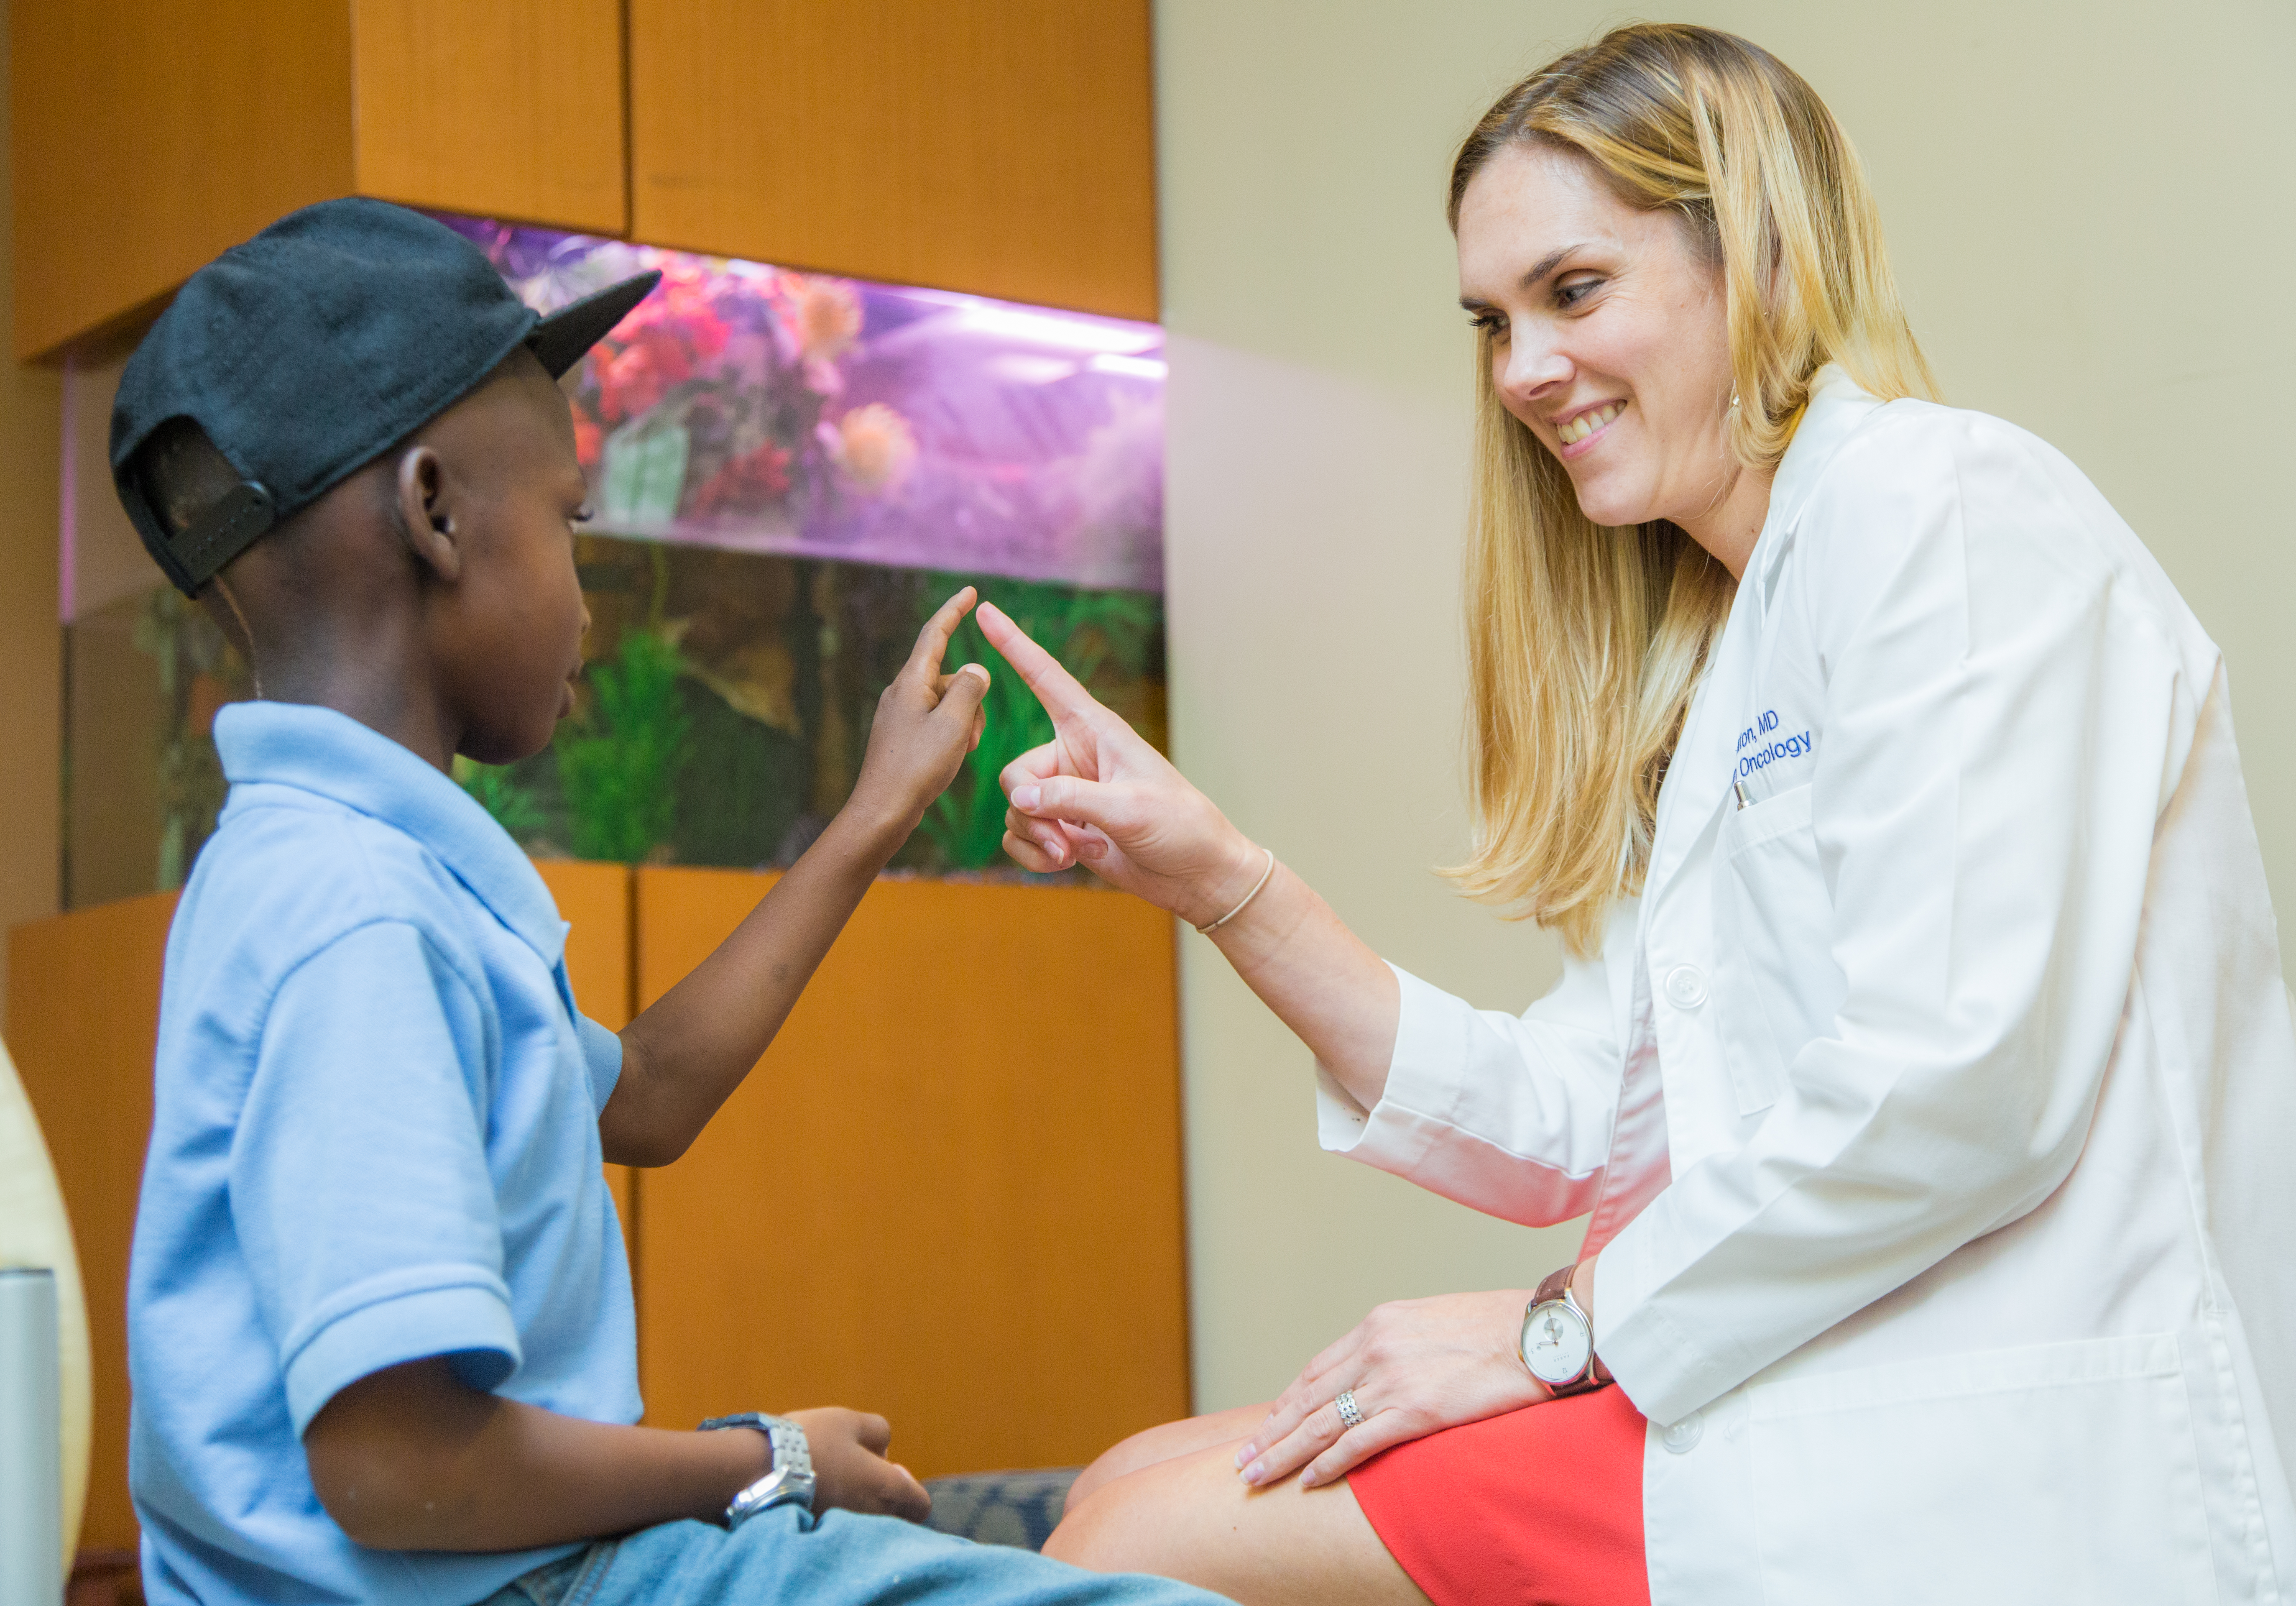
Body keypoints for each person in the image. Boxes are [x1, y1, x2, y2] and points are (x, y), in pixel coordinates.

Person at [976, 23, 2296, 1606]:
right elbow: (1583, 1115)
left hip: (1981, 1442)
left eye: (1573, 291)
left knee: (1144, 1535)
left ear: (1755, 259)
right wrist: (1221, 878)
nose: (1524, 370)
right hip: (1810, 1386)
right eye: (1492, 319)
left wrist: (1558, 1326)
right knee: (1129, 1478)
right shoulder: (1738, 645)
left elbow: (1961, 1082)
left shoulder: (1941, 511)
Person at [116, 198, 1228, 1606]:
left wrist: (876, 809)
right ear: (438, 513)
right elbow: (397, 1467)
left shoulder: (345, 867)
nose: (588, 599)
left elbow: (643, 1094)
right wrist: (757, 1459)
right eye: (571, 523)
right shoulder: (356, 916)